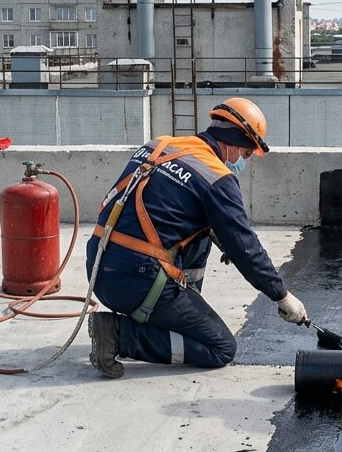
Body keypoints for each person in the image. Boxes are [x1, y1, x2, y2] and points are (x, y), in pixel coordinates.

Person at [84, 98, 308, 378]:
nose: (244, 161)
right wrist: (282, 296)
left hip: (98, 268)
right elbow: (245, 248)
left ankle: (172, 311)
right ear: (236, 142)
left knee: (202, 231)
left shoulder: (158, 145)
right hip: (136, 282)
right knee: (221, 347)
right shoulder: (217, 177)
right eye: (248, 154)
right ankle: (119, 335)